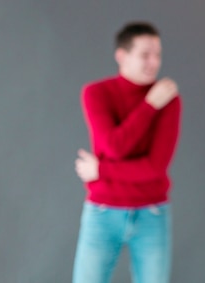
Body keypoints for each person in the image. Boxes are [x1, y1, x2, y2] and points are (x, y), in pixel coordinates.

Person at [72, 21, 181, 283]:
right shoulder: (96, 93)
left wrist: (101, 170)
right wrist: (149, 105)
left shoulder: (169, 100)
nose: (154, 62)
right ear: (122, 56)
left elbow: (155, 168)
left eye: (158, 55)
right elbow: (115, 147)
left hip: (152, 214)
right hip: (102, 213)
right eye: (145, 55)